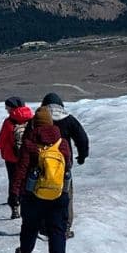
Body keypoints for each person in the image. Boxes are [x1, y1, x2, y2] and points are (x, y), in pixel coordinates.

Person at [10, 106, 71, 253]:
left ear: (35, 124)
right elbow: (67, 167)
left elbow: (21, 171)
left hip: (33, 195)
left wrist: (14, 194)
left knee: (30, 227)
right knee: (57, 231)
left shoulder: (30, 143)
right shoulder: (63, 143)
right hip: (59, 194)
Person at [40, 93, 88, 238]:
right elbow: (82, 138)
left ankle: (45, 226)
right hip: (64, 165)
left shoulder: (40, 119)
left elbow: (27, 139)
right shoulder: (69, 119)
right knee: (66, 195)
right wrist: (82, 156)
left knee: (43, 194)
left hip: (42, 164)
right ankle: (65, 228)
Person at [0, 96, 33, 218]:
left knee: (13, 180)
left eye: (7, 107)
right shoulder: (31, 119)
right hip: (27, 156)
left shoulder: (9, 121)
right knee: (26, 179)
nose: (6, 109)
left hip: (11, 157)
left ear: (12, 107)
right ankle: (26, 201)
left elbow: (2, 138)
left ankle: (15, 206)